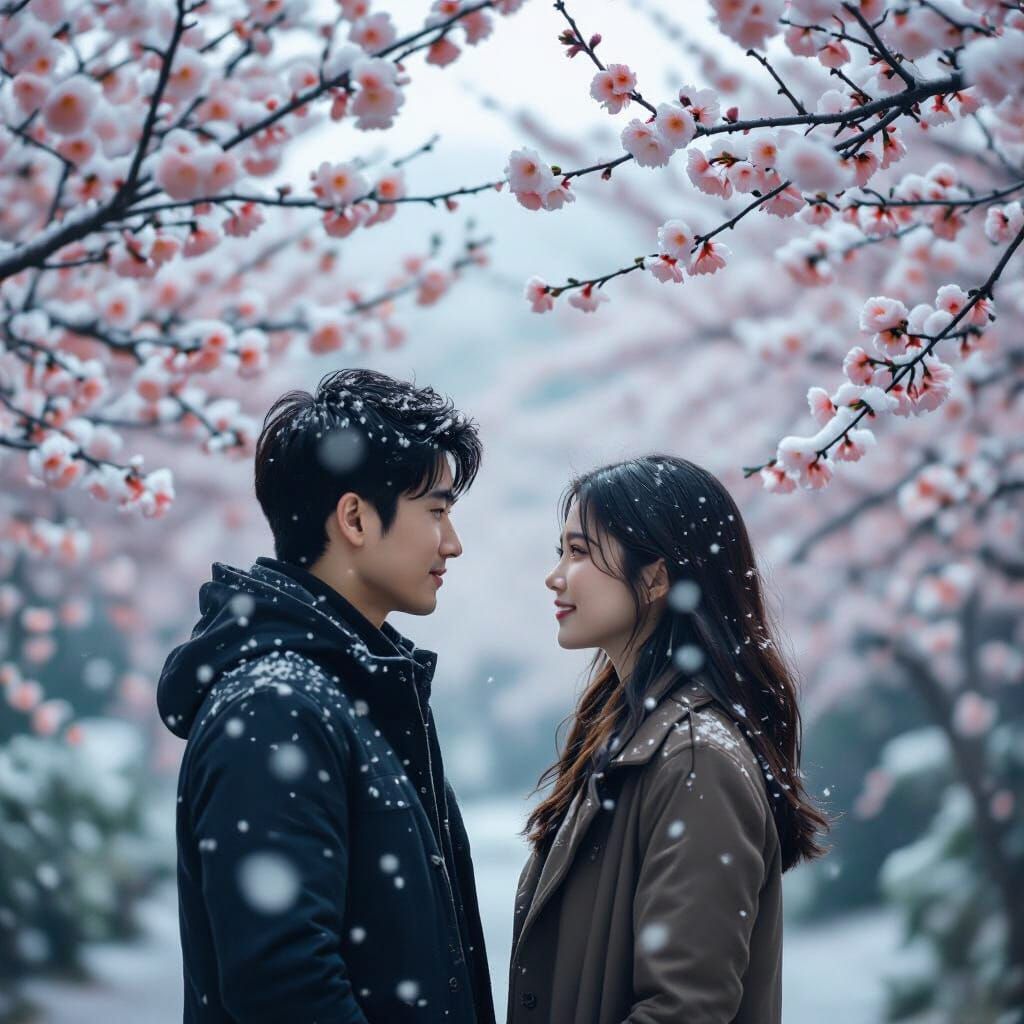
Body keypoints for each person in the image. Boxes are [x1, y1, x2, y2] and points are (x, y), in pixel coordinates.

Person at [157, 368, 495, 1024]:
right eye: (437, 511)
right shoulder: (277, 708)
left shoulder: (348, 692)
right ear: (355, 518)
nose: (452, 543)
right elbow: (283, 981)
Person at [507, 455, 830, 1024]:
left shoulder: (695, 759)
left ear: (655, 579)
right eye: (561, 552)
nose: (554, 575)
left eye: (579, 552)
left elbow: (684, 1009)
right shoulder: (627, 737)